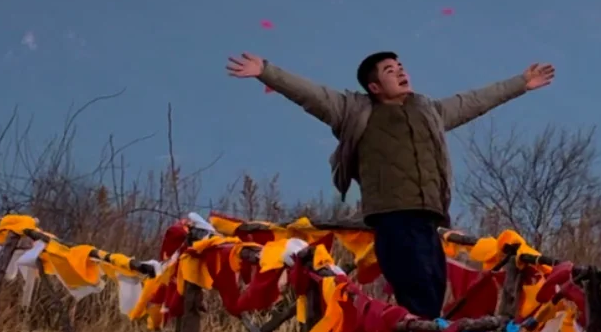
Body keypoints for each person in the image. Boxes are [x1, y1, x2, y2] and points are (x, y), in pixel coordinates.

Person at [225, 47, 555, 317]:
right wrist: (266, 71)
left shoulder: (428, 110)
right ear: (374, 87)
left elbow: (474, 101)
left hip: (430, 219)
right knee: (419, 305)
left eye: (399, 66)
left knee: (433, 298)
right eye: (388, 69)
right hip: (393, 219)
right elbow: (310, 94)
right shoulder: (354, 111)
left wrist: (521, 83)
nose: (399, 71)